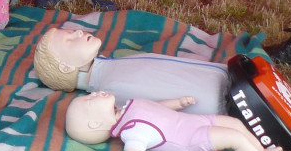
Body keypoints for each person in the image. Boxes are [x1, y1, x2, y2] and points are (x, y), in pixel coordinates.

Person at [65, 91, 285, 151]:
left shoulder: (128, 106)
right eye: (90, 99)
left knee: (235, 124)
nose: (94, 93)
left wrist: (177, 104)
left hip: (192, 122)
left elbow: (156, 108)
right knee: (232, 137)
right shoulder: (132, 131)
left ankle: (260, 148)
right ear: (95, 123)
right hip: (189, 140)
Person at [32, 26, 231, 114]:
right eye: (69, 38)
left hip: (228, 80)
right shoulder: (113, 85)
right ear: (66, 67)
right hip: (230, 97)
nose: (77, 31)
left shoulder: (111, 72)